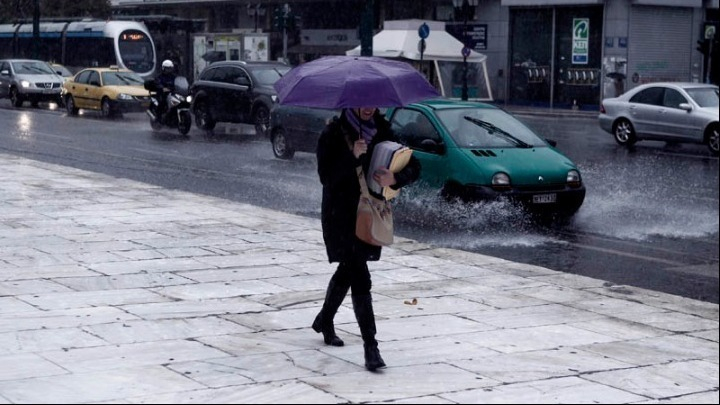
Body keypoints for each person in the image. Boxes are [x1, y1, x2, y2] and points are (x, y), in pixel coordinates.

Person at [314, 107, 421, 372]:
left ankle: (325, 319)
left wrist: (394, 178)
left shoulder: (384, 132)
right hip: (340, 215)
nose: (368, 106)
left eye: (372, 101)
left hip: (368, 214)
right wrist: (352, 157)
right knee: (360, 274)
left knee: (349, 270)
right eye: (362, 101)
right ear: (350, 103)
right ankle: (371, 347)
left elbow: (415, 165)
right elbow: (326, 178)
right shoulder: (333, 133)